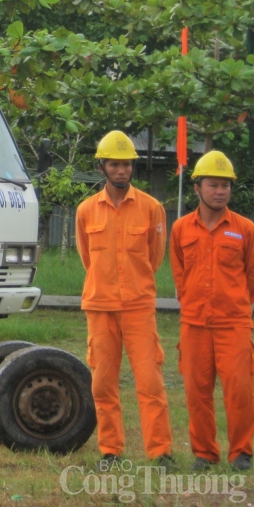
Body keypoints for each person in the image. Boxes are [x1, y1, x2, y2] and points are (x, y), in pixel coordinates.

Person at [75, 130, 172, 465]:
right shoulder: (86, 210)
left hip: (138, 306)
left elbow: (155, 257)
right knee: (103, 382)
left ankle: (160, 451)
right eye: (115, 164)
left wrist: (133, 284)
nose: (122, 171)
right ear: (102, 167)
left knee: (149, 381)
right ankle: (111, 450)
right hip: (99, 307)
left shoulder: (151, 208)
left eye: (127, 165)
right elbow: (88, 258)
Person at [170, 151, 254, 472]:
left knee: (240, 391)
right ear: (197, 188)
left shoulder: (245, 229)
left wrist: (236, 305)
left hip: (234, 323)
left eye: (225, 186)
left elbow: (252, 275)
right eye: (213, 185)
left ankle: (241, 452)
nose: (220, 191)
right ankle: (204, 453)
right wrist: (193, 302)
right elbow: (179, 274)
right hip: (194, 324)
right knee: (196, 391)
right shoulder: (180, 229)